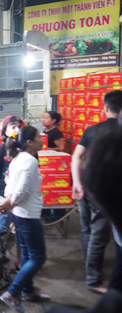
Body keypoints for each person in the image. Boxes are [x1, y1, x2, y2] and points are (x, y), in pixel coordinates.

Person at [72, 90, 122, 294]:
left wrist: (77, 183)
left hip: (87, 186)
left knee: (87, 230)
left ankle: (89, 266)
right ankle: (93, 278)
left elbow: (77, 157)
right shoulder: (118, 132)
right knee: (99, 235)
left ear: (105, 107)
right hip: (105, 190)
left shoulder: (92, 130)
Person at [0, 126, 48, 312]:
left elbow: (9, 186)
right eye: (38, 137)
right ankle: (13, 292)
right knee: (38, 257)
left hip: (19, 214)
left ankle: (28, 292)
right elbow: (22, 190)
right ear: (29, 142)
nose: (42, 140)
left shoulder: (17, 159)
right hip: (28, 215)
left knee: (26, 255)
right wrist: (10, 202)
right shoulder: (30, 161)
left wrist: (7, 202)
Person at [0, 116, 24, 270]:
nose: (16, 130)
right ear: (5, 131)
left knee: (21, 233)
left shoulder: (26, 150)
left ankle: (20, 262)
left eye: (19, 127)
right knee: (1, 230)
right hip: (3, 198)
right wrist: (2, 191)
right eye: (13, 126)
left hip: (21, 199)